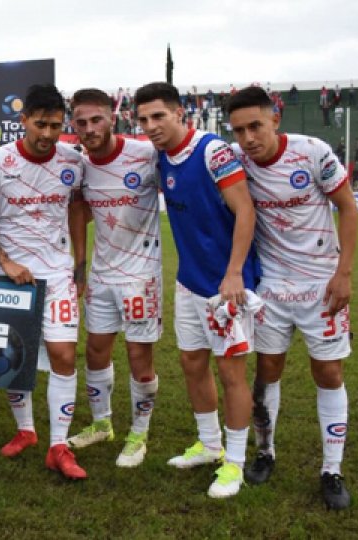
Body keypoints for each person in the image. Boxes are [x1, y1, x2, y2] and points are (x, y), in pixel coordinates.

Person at [227, 86, 358, 510]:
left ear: (275, 119)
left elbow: (349, 208)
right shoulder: (237, 163)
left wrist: (344, 273)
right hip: (272, 290)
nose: (248, 137)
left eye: (255, 126)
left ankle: (331, 469)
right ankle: (266, 451)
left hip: (323, 288)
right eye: (239, 129)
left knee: (329, 374)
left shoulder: (312, 151)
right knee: (267, 371)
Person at [134, 82, 260, 498]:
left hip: (226, 286)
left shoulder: (212, 151)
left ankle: (235, 464)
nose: (150, 126)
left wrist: (235, 273)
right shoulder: (163, 158)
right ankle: (209, 445)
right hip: (190, 283)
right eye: (144, 119)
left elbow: (245, 209)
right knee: (191, 362)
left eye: (159, 116)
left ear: (179, 115)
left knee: (231, 372)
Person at [0, 84, 88, 480]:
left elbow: (77, 209)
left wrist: (80, 264)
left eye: (56, 125)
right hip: (11, 278)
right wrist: (4, 260)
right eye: (40, 124)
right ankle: (26, 431)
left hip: (55, 276)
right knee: (13, 357)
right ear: (23, 121)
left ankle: (59, 445)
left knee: (64, 356)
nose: (48, 134)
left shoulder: (73, 161)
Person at [65, 89, 162, 468]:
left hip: (141, 277)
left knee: (139, 357)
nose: (89, 129)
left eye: (96, 120)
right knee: (95, 350)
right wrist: (80, 267)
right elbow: (79, 211)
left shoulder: (145, 155)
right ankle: (101, 424)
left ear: (112, 118)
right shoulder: (80, 166)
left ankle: (139, 434)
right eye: (81, 122)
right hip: (102, 276)